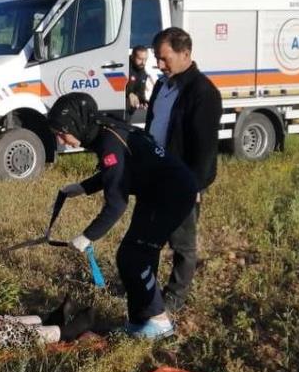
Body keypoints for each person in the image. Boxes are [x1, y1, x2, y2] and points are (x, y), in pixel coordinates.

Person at [47, 92, 197, 339]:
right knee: (134, 253)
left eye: (62, 132)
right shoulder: (104, 132)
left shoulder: (109, 142)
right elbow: (117, 172)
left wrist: (87, 236)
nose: (61, 140)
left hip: (172, 193)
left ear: (76, 124)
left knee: (134, 256)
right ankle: (141, 321)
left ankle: (159, 323)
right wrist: (84, 187)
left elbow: (116, 202)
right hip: (156, 191)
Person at [146, 28, 222, 311]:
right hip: (156, 177)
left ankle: (175, 298)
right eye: (157, 59)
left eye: (164, 59)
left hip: (182, 182)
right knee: (148, 236)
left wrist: (194, 186)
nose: (159, 65)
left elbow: (204, 151)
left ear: (185, 54)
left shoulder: (203, 94)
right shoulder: (161, 87)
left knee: (182, 244)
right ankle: (146, 284)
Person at [126, 45, 153, 122]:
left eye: (145, 59)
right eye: (140, 59)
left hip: (129, 110)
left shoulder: (142, 71)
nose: (143, 62)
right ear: (132, 57)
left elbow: (141, 89)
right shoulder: (123, 67)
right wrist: (129, 93)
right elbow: (115, 86)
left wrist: (143, 100)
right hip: (118, 108)